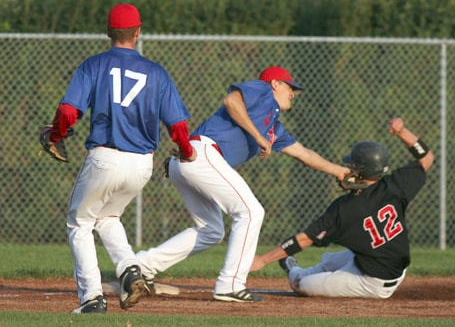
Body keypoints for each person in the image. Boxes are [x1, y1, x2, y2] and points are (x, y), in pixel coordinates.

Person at [136, 66, 350, 302]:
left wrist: (339, 171)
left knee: (211, 231)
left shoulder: (273, 127)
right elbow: (231, 101)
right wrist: (257, 137)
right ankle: (230, 284)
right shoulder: (262, 91)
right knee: (251, 212)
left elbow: (303, 153)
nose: (293, 93)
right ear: (275, 83)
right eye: (290, 87)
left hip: (194, 160)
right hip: (203, 153)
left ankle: (141, 266)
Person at [40, 3, 196, 313]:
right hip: (141, 164)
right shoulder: (157, 72)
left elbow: (70, 112)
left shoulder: (94, 65)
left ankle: (92, 298)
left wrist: (55, 135)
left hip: (104, 158)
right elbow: (178, 127)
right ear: (138, 32)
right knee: (108, 218)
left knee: (80, 223)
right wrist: (186, 152)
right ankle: (130, 270)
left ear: (108, 32)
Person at [250, 118, 434, 299]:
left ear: (361, 172)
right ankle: (307, 270)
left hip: (372, 282)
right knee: (330, 260)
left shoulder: (345, 209)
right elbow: (427, 158)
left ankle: (294, 271)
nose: (346, 170)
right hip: (385, 264)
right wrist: (402, 132)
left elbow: (305, 239)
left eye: (352, 167)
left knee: (301, 284)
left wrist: (263, 260)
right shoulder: (394, 186)